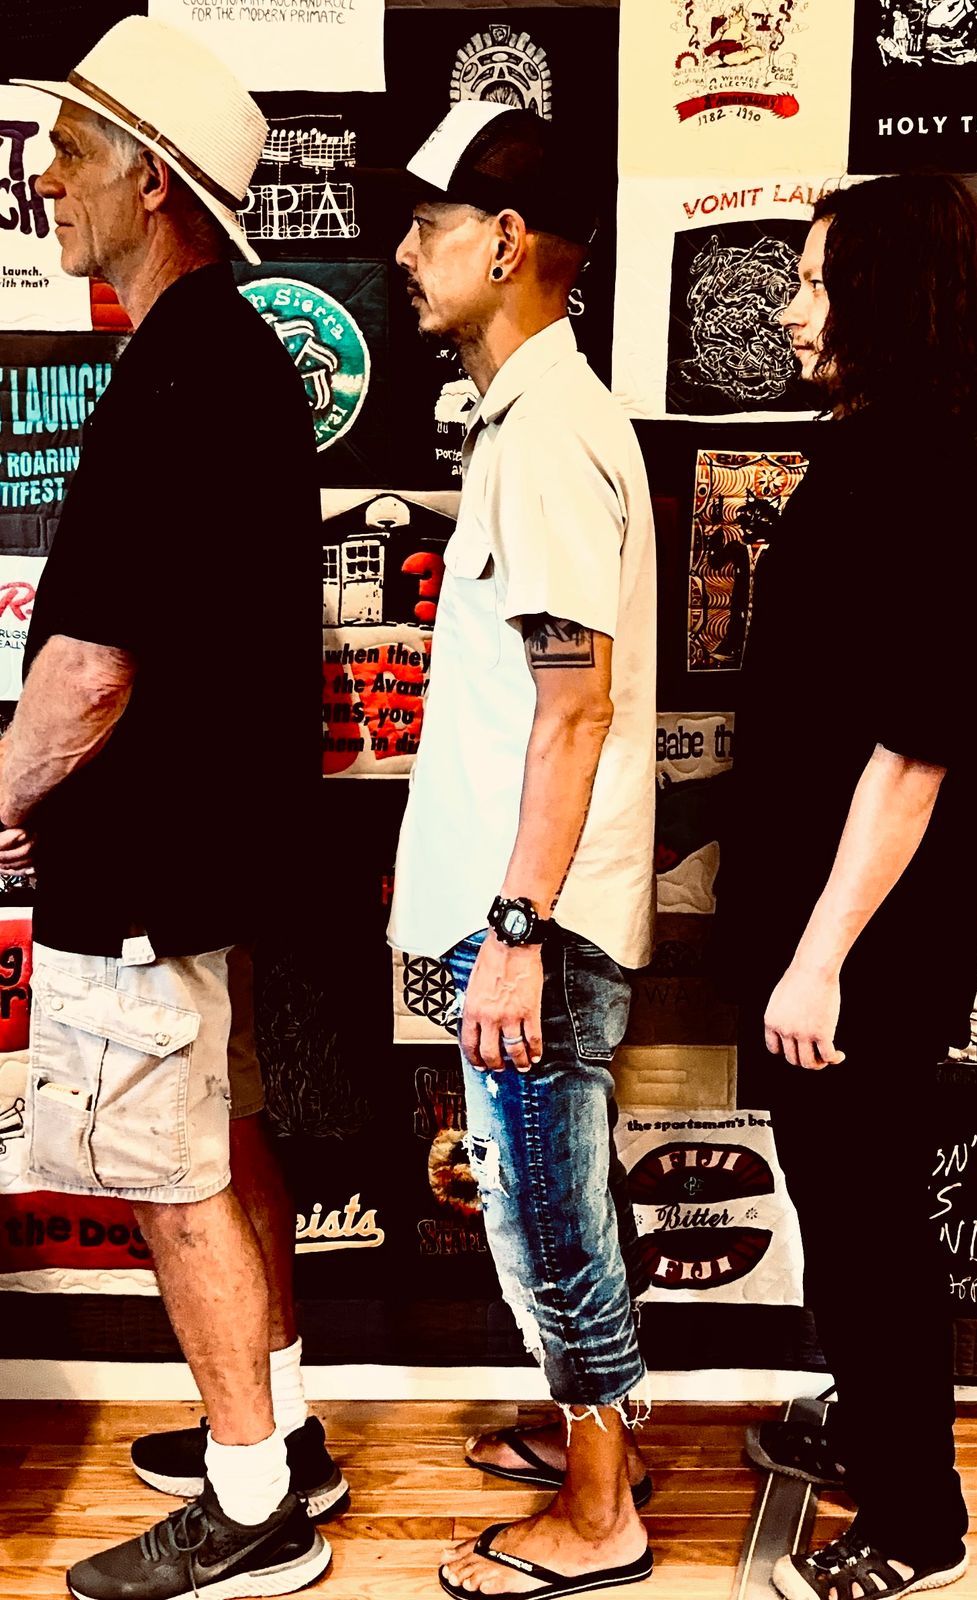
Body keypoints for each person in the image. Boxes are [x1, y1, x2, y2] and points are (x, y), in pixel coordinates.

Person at [2, 17, 336, 1600]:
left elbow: (89, 673)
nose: (42, 176)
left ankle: (253, 1502)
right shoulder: (230, 355)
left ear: (150, 177)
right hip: (204, 867)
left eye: (69, 149)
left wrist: (5, 792)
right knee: (222, 1134)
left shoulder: (182, 372)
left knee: (174, 1180)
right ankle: (283, 1433)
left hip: (152, 877)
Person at [722, 175, 977, 1600]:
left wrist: (820, 956)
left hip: (861, 953)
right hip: (822, 932)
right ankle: (869, 1421)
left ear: (886, 301)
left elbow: (915, 752)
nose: (791, 309)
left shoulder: (924, 481)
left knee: (871, 1230)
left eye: (817, 282)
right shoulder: (874, 456)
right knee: (843, 1214)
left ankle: (915, 1521)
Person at [386, 103, 657, 1600]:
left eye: (427, 227)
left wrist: (514, 928)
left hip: (535, 917)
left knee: (546, 1210)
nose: (402, 251)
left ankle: (603, 1512)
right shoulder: (530, 419)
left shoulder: (549, 433)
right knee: (550, 1193)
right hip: (529, 903)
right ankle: (589, 1445)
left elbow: (577, 705)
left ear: (503, 243)